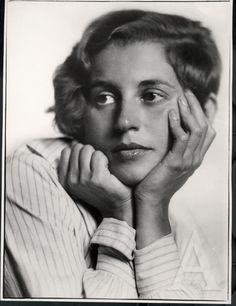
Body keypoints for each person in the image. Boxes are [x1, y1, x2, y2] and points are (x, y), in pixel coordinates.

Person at [4, 9, 224, 299]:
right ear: (81, 107)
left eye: (151, 96)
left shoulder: (174, 214)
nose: (124, 121)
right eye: (104, 97)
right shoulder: (33, 172)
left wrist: (152, 204)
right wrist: (118, 217)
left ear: (203, 112)